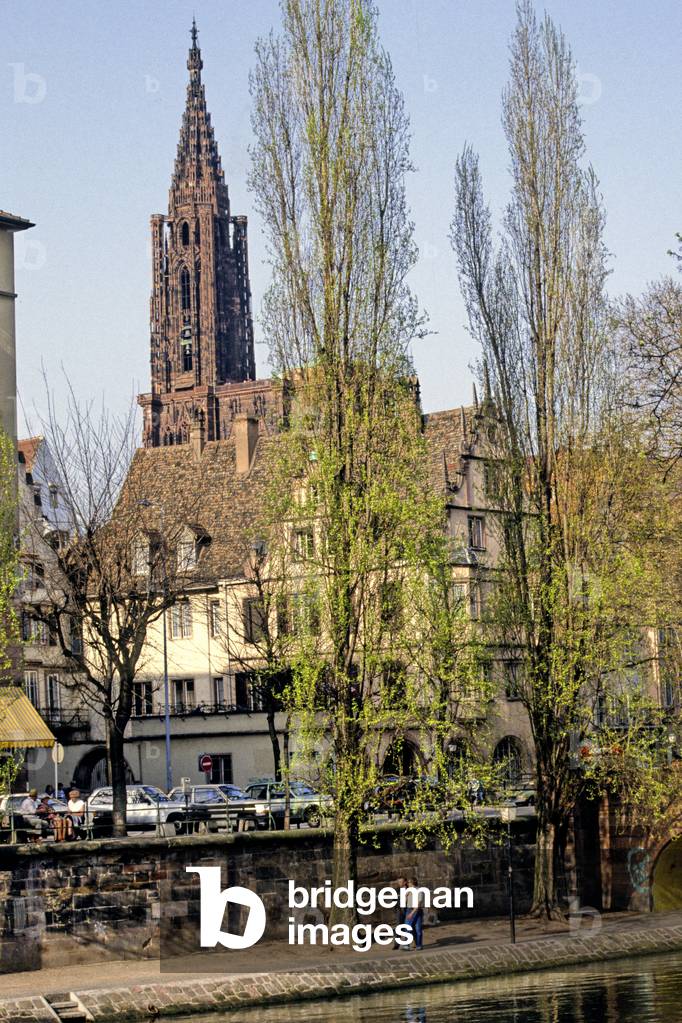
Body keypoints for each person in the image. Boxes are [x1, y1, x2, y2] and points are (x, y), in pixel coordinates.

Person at [404, 876, 424, 950]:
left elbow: (418, 903)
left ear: (412, 883)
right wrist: (406, 895)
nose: (407, 884)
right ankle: (407, 945)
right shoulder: (408, 891)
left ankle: (419, 945)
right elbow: (404, 902)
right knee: (407, 927)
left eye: (408, 882)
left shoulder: (419, 891)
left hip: (416, 910)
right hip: (409, 909)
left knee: (418, 928)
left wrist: (412, 913)